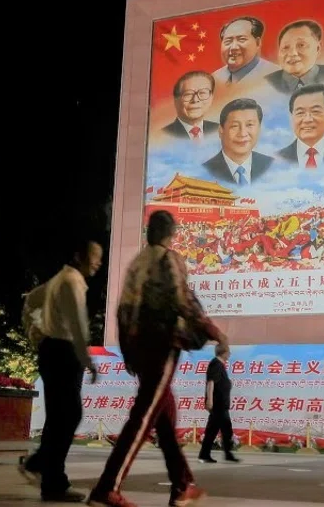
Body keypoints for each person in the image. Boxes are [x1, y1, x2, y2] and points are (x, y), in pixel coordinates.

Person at [87, 210, 227, 507]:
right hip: (162, 343)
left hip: (138, 346)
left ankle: (182, 485)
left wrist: (127, 352)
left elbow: (122, 311)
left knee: (164, 418)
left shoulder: (137, 263)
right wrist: (212, 329)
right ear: (171, 233)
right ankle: (107, 487)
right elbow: (182, 299)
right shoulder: (168, 259)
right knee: (143, 416)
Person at [18, 241, 103, 503]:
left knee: (60, 417)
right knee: (68, 414)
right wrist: (86, 357)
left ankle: (46, 472)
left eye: (100, 257)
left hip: (55, 351)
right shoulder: (71, 280)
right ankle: (46, 472)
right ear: (78, 256)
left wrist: (36, 333)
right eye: (94, 256)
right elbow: (77, 323)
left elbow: (31, 300)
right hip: (63, 351)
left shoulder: (61, 278)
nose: (98, 262)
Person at [198, 344, 239, 464]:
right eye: (228, 352)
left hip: (221, 405)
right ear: (224, 352)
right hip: (218, 405)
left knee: (219, 430)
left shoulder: (220, 365)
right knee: (222, 429)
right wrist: (209, 400)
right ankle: (213, 454)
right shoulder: (216, 364)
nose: (230, 354)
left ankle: (211, 454)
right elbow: (211, 383)